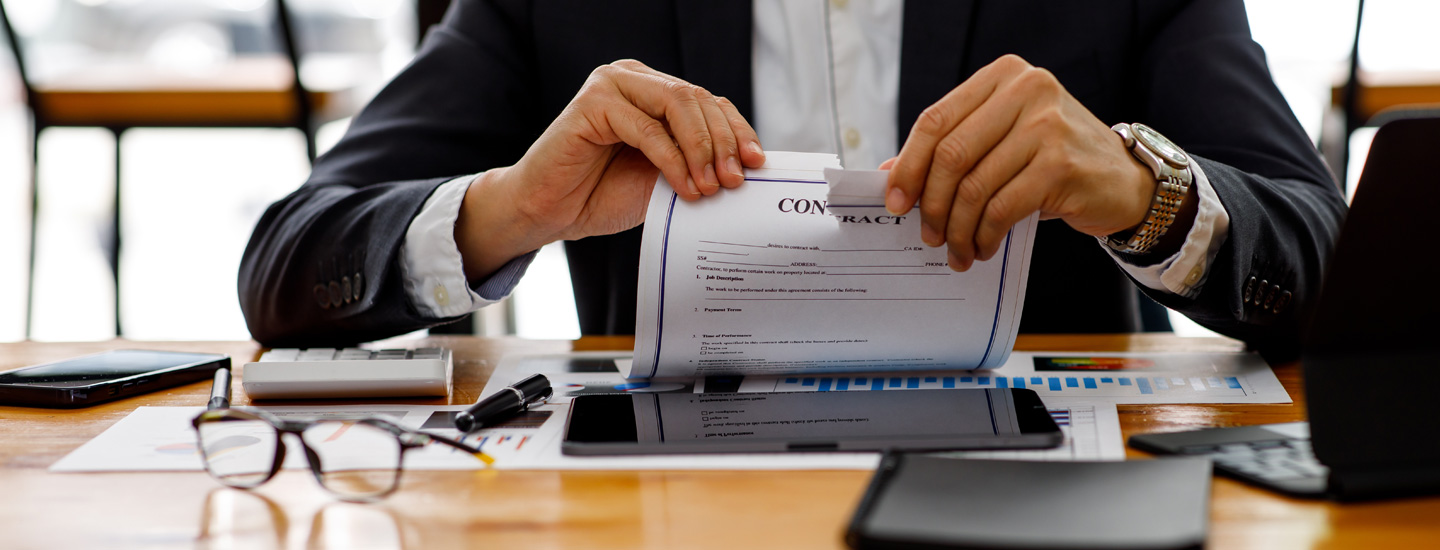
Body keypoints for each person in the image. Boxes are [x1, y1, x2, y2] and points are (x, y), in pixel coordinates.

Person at [239, 0, 1344, 362]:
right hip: (658, 505)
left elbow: (1330, 265)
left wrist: (1144, 189)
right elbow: (289, 263)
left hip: (1040, 492)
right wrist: (516, 205)